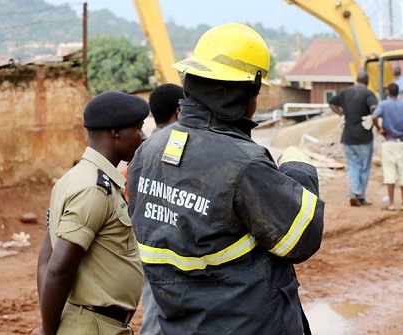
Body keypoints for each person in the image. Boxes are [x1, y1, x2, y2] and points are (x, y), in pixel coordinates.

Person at [126, 23, 324, 335]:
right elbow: (300, 239)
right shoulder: (244, 162)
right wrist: (299, 170)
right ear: (246, 92)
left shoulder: (148, 150)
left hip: (179, 325)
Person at [36, 91, 149, 335]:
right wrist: (47, 329)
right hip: (92, 326)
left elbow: (46, 256)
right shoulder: (93, 189)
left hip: (94, 322)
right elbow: (58, 267)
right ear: (116, 133)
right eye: (139, 129)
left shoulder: (75, 178)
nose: (144, 137)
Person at [137, 83, 184, 335]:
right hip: (169, 246)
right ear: (179, 111)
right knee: (158, 320)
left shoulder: (144, 147)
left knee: (155, 311)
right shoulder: (178, 146)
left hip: (147, 243)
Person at [329, 70, 378, 206]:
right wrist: (374, 120)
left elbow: (332, 102)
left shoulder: (346, 92)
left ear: (357, 79)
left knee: (352, 166)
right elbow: (374, 108)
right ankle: (360, 195)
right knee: (364, 167)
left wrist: (342, 114)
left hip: (347, 137)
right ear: (367, 82)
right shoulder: (368, 94)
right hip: (364, 137)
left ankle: (353, 193)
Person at [372, 82, 403, 211]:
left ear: (388, 92)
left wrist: (379, 129)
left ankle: (392, 203)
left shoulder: (383, 104)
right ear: (398, 92)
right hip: (402, 143)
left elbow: (374, 116)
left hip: (389, 142)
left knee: (389, 173)